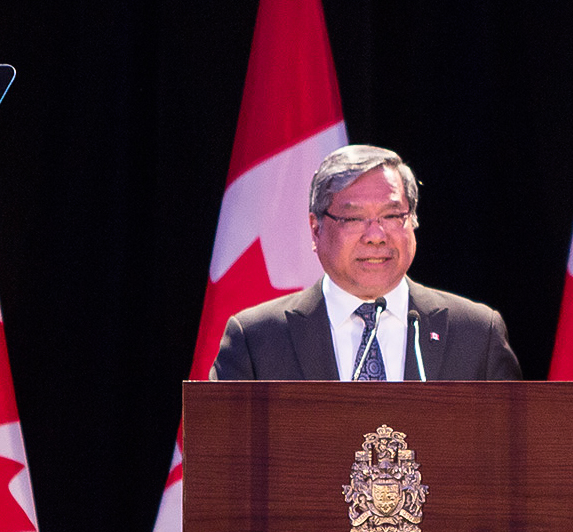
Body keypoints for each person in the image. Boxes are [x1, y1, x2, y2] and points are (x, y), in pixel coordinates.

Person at [210, 144, 521, 381]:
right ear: (316, 229)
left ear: (412, 221)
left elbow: (514, 457)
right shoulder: (256, 340)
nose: (376, 235)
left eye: (391, 215)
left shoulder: (477, 334)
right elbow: (219, 459)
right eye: (355, 218)